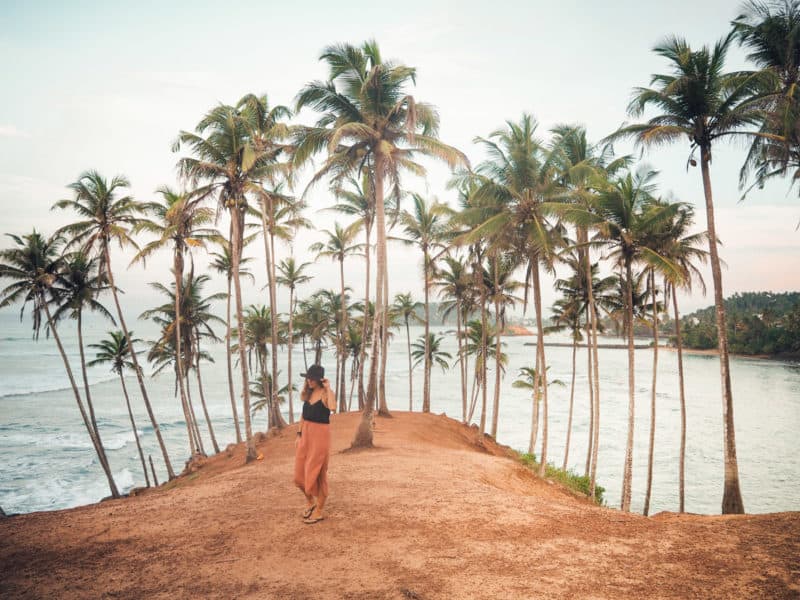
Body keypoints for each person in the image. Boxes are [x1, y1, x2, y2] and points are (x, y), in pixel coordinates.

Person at [293, 364, 336, 524]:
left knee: (317, 473)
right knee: (299, 476)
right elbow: (303, 417)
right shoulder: (309, 394)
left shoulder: (326, 394)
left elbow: (333, 407)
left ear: (319, 380)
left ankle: (319, 511)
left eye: (312, 378)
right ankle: (311, 502)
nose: (309, 381)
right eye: (307, 378)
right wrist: (299, 434)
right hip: (306, 437)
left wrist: (329, 388)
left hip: (320, 437)